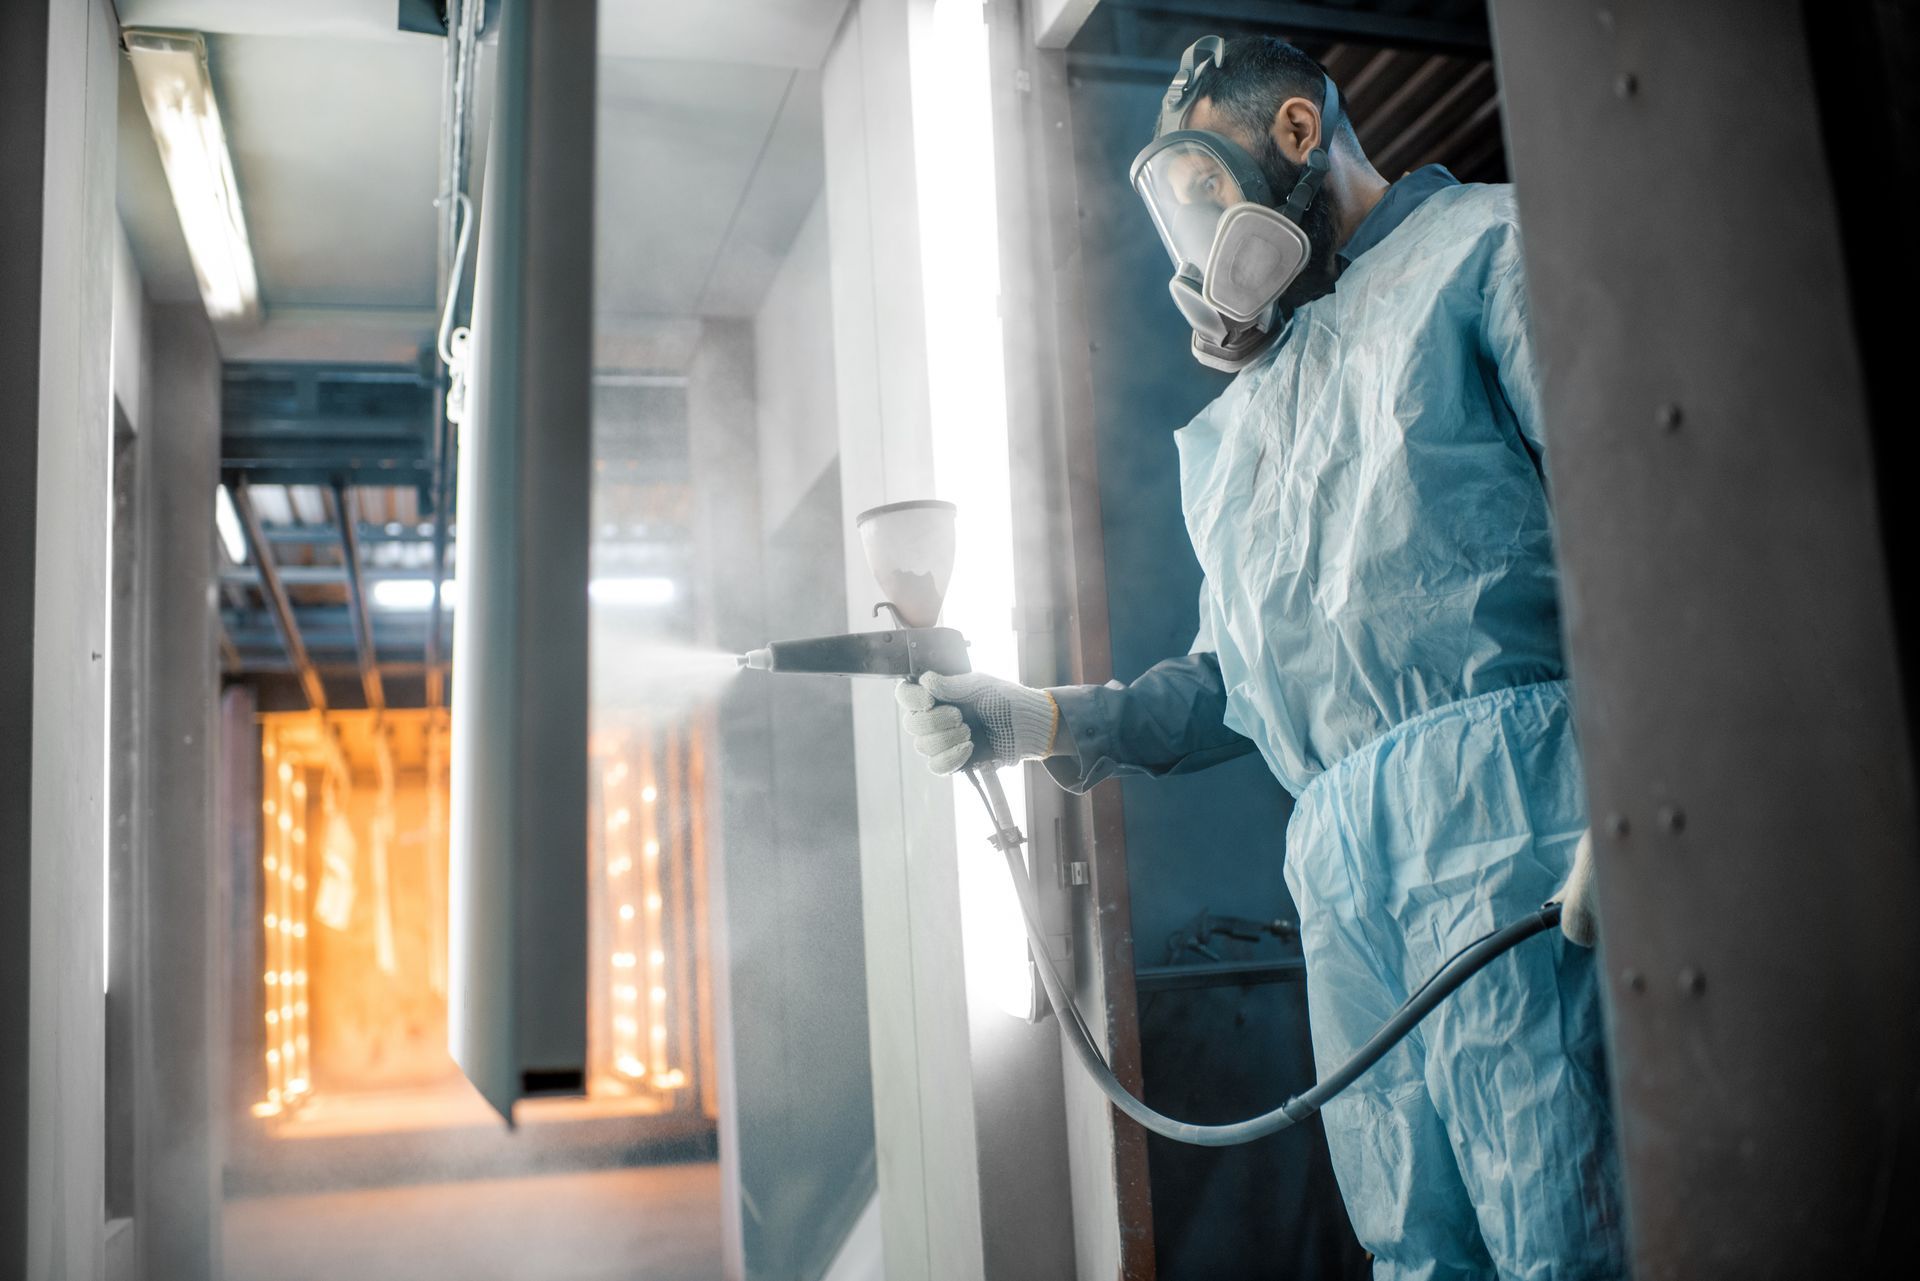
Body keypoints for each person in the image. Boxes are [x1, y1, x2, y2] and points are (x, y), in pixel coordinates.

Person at [894, 34, 1622, 1281]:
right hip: (1344, 876)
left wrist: (1644, 804)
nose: (1198, 250)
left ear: (1296, 134)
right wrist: (1043, 722)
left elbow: (1640, 527)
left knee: (1570, 1229)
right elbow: (1236, 681)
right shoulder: (1256, 414)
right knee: (1415, 1248)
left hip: (1512, 831)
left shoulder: (1489, 253)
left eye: (1202, 194)